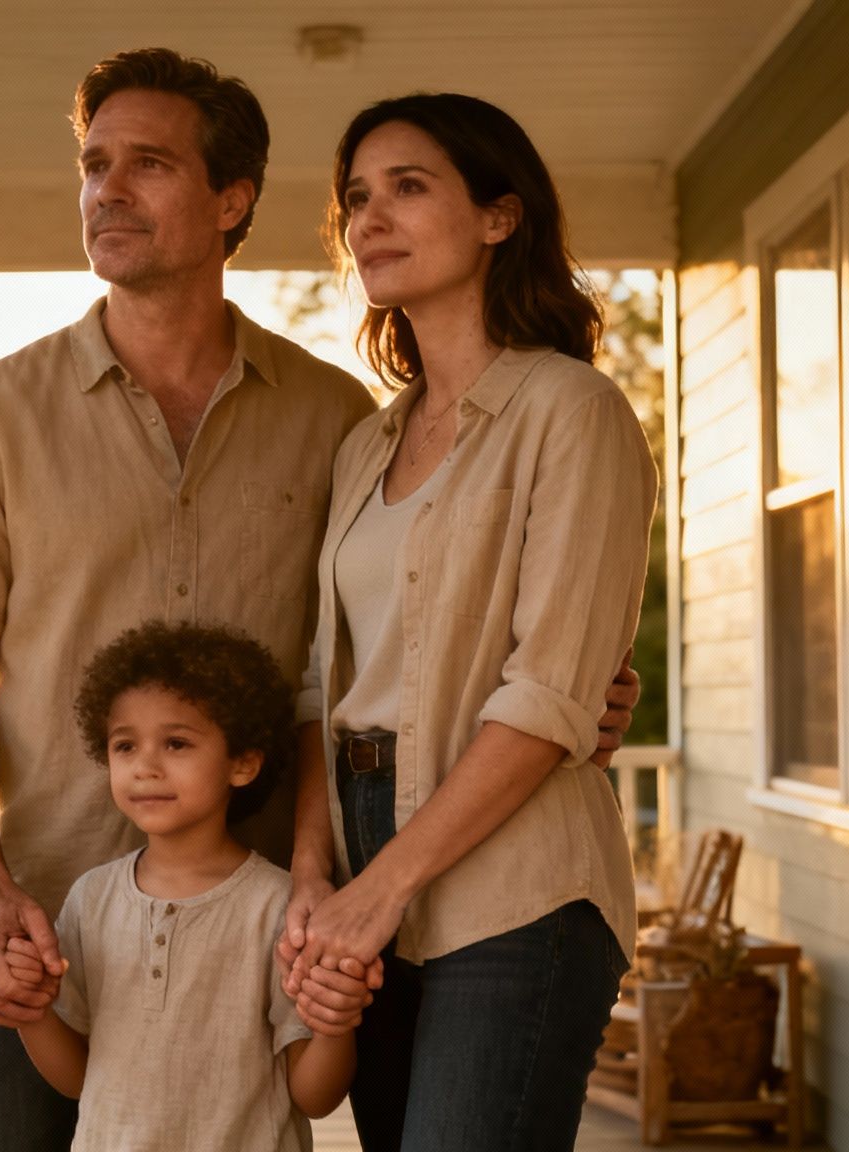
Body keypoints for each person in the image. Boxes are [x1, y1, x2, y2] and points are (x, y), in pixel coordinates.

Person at [0, 49, 641, 1149]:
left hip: (276, 918)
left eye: (147, 163)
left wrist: (568, 700)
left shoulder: (334, 416)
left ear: (231, 199)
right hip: (58, 917)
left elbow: (426, 657)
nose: (107, 188)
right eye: (94, 164)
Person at [278, 93, 660, 1151]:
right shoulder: (367, 446)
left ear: (500, 216)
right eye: (355, 198)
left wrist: (384, 888)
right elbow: (324, 686)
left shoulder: (570, 415)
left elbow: (550, 692)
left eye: (408, 188)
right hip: (362, 868)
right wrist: (319, 875)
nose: (369, 220)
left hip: (513, 889)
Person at [6, 621, 373, 1150]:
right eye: (125, 746)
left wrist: (337, 1021)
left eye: (176, 743)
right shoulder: (91, 899)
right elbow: (79, 1082)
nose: (145, 767)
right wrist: (33, 1011)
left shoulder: (278, 909)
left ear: (243, 763)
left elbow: (315, 1098)